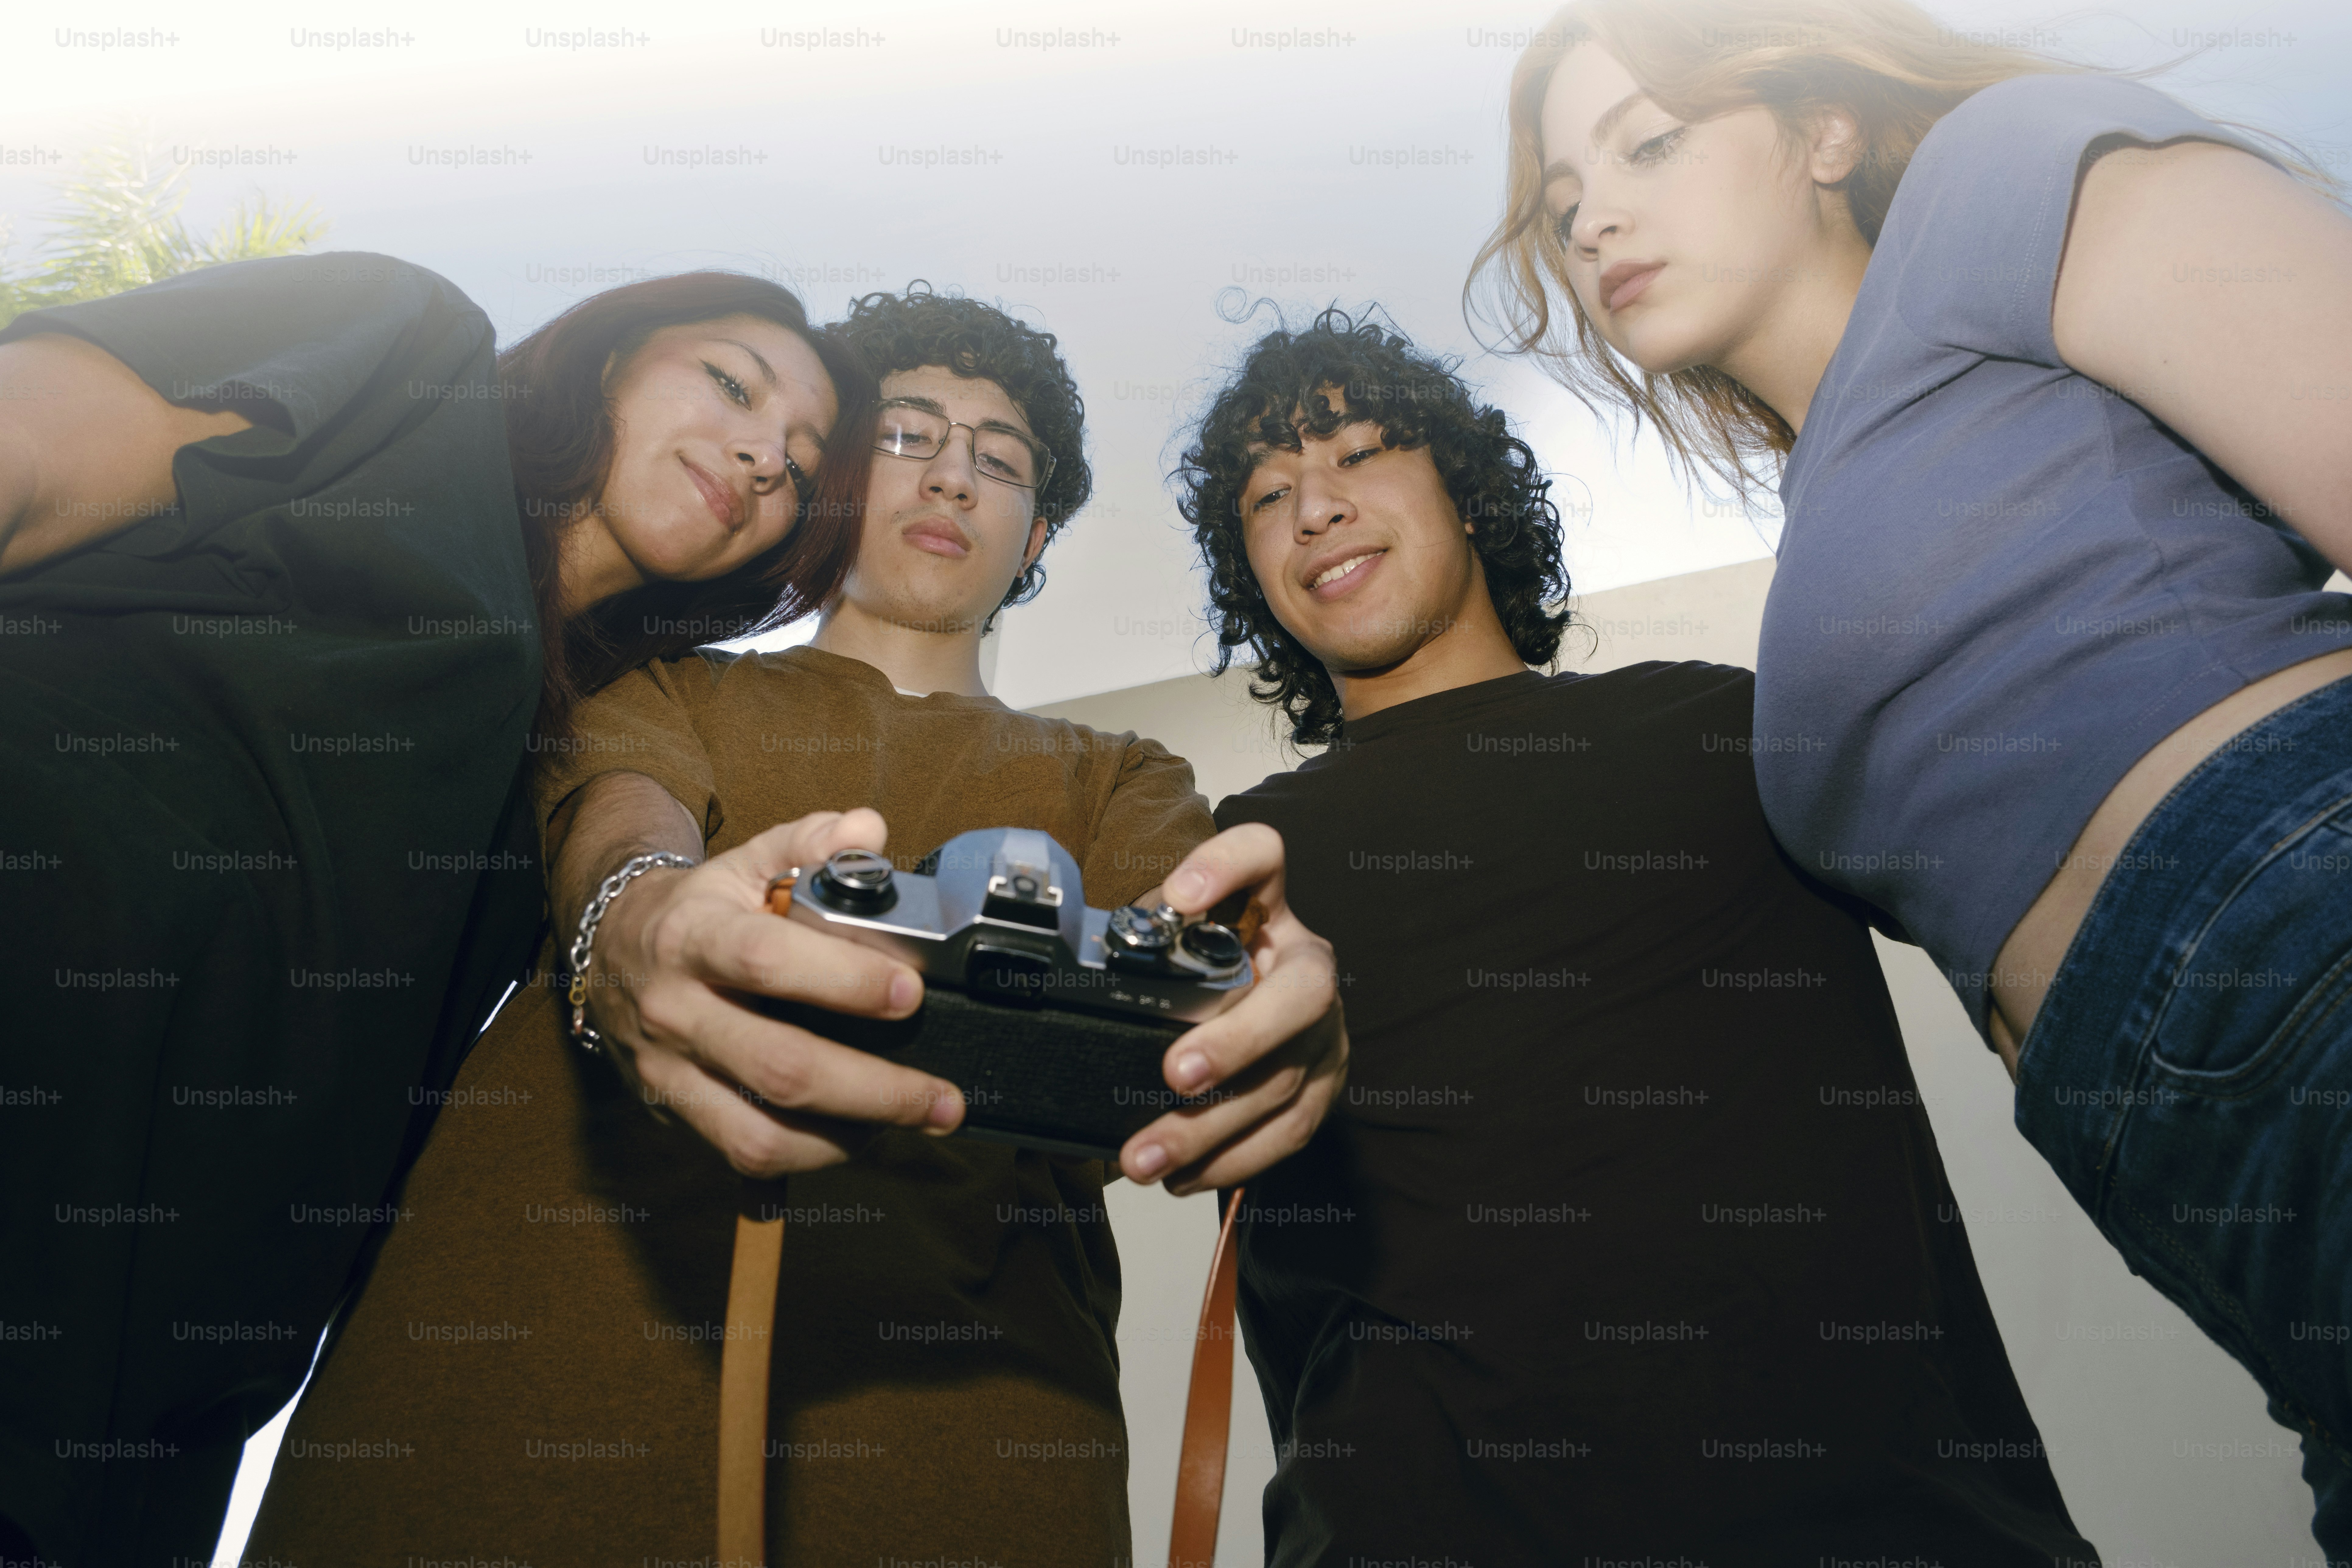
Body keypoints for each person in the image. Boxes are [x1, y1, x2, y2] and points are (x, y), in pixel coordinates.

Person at [247, 285, 1347, 1568]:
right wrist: (639, 913)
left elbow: (1201, 938)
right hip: (501, 1379)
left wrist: (1267, 1016)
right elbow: (620, 813)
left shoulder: (1123, 773)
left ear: (1033, 529)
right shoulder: (655, 678)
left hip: (969, 1444)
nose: (950, 477)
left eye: (998, 461)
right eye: (907, 435)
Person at [1470, 0, 2352, 1545]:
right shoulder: (1843, 491)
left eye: (1650, 141)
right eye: (1563, 203)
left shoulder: (1993, 181)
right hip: (2161, 1139)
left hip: (2298, 914)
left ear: (1824, 130)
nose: (1594, 214)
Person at [1178, 306, 2097, 1563]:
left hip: (1887, 1526)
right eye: (1267, 495)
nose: (1314, 507)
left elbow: (2052, 968)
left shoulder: (1730, 729)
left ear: (1466, 488)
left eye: (1357, 451)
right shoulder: (1244, 859)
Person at [0, 252, 873, 1566]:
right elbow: (28, 456)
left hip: (122, 1429)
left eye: (801, 468)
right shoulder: (415, 353)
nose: (763, 460)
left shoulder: (588, 741)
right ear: (610, 354)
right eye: (733, 384)